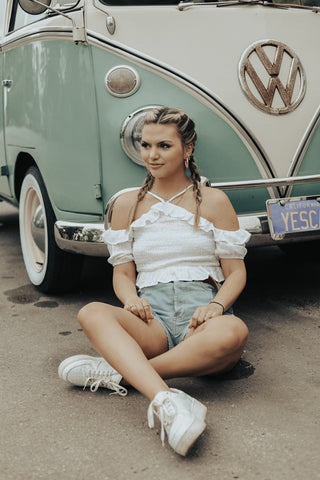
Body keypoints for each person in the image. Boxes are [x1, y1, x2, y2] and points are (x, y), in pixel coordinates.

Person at [58, 106, 250, 456]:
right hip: (151, 320)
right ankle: (165, 400)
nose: (152, 155)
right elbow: (123, 273)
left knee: (234, 332)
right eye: (145, 145)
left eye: (164, 146)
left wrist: (216, 305)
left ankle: (121, 372)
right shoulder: (128, 204)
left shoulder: (213, 200)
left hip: (200, 320)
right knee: (91, 312)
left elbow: (236, 272)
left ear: (187, 149)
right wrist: (130, 300)